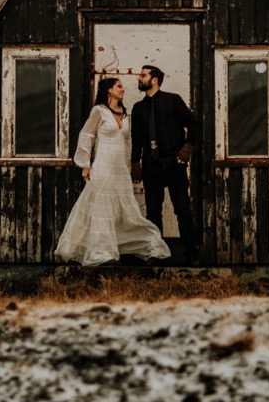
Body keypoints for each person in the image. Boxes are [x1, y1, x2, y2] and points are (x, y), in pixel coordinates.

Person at [54, 77, 171, 266]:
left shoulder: (124, 114)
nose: (123, 89)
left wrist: (129, 168)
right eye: (119, 86)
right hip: (103, 166)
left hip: (119, 170)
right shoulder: (99, 111)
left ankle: (147, 246)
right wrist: (85, 164)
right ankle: (102, 252)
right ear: (108, 90)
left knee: (125, 209)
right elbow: (86, 136)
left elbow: (127, 143)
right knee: (102, 209)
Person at [132, 65, 197, 261]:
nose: (139, 78)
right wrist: (136, 163)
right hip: (152, 167)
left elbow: (194, 124)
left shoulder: (173, 100)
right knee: (153, 211)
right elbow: (136, 138)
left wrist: (187, 149)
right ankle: (157, 252)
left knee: (182, 209)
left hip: (174, 164)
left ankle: (190, 253)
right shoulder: (138, 108)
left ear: (154, 80)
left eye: (143, 75)